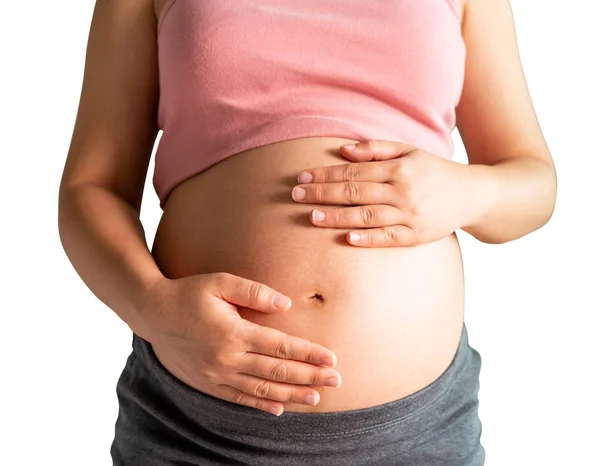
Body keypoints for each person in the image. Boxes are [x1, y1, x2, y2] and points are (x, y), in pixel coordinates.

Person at [57, 0, 557, 464]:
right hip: (196, 428)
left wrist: (466, 193)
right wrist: (152, 308)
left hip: (413, 434)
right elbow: (91, 187)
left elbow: (535, 183)